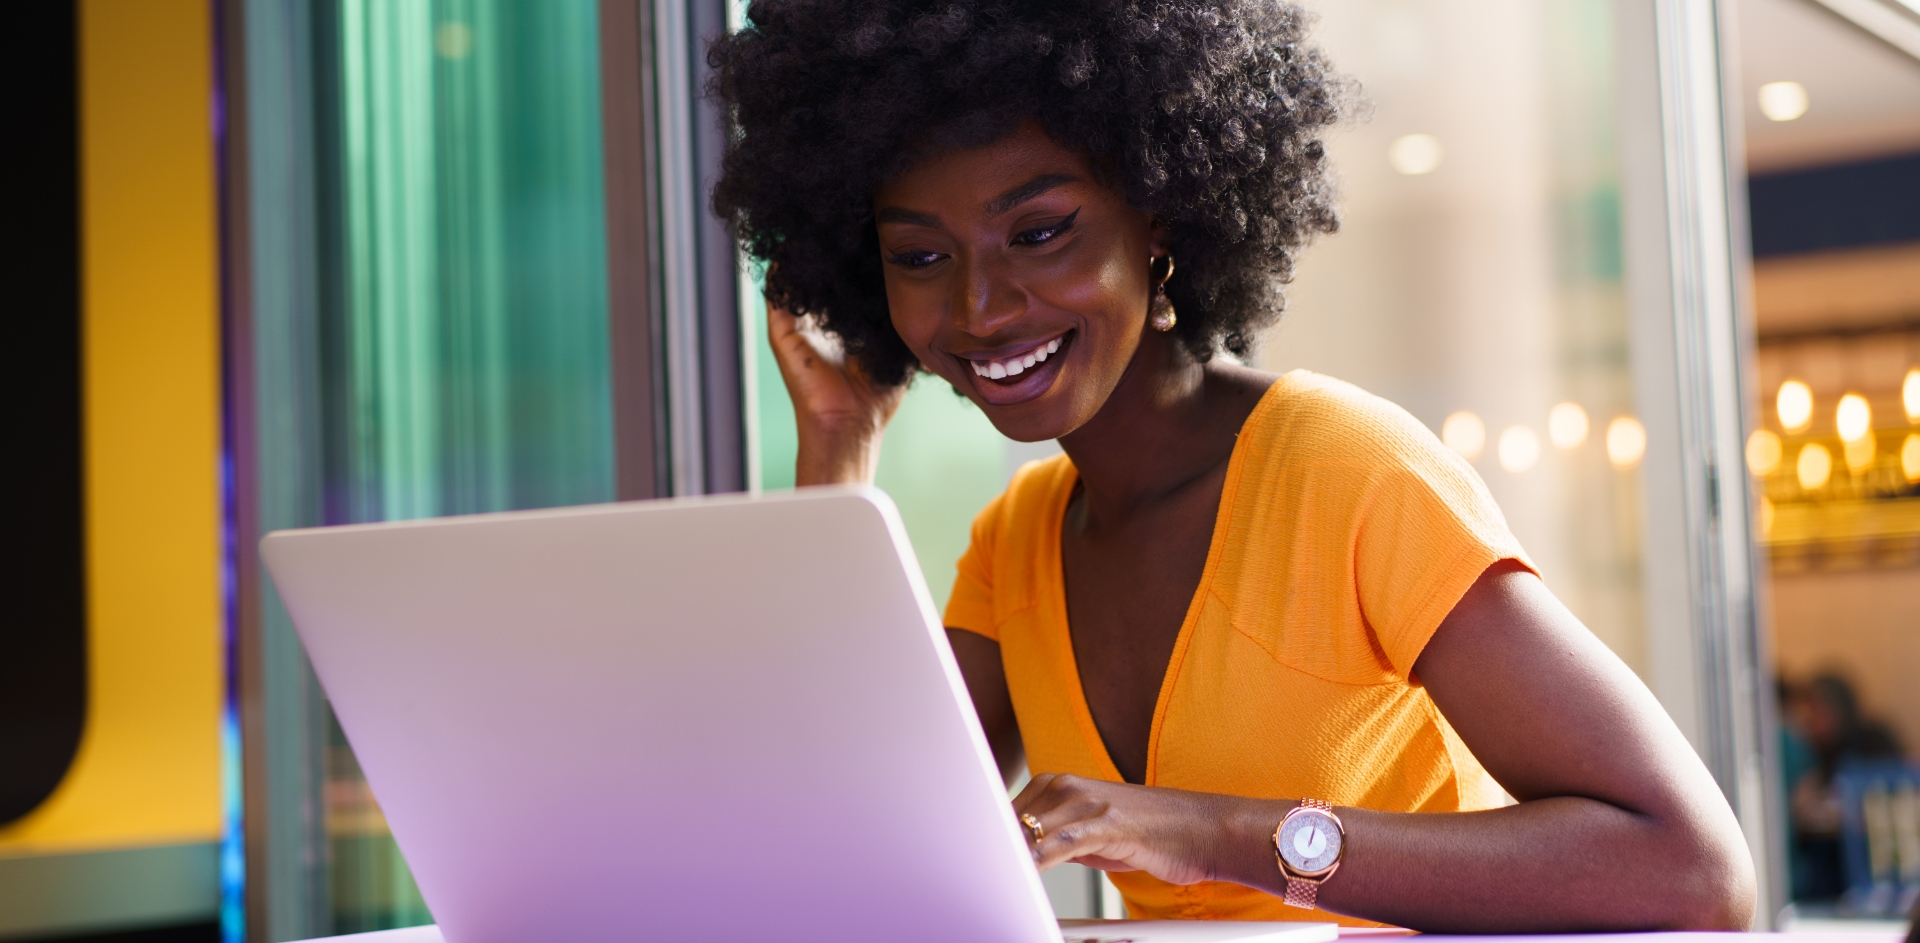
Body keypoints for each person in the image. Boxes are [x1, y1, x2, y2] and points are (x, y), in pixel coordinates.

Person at [708, 0, 1755, 931]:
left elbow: (1690, 867)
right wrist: (839, 459)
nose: (982, 307)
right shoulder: (1018, 543)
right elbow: (845, 850)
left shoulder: (1346, 472)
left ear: (1157, 218)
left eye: (1040, 232)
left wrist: (1211, 831)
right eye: (923, 257)